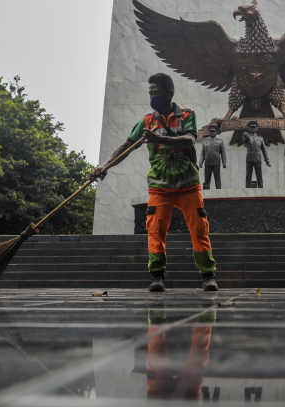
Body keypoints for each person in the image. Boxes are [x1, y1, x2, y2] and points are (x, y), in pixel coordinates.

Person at [91, 73, 218, 292]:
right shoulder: (147, 122)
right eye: (150, 93)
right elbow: (125, 146)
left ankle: (208, 276)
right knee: (155, 229)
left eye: (156, 93)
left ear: (169, 93)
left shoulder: (187, 116)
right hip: (160, 187)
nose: (152, 97)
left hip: (188, 186)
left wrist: (161, 139)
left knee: (199, 229)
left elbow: (189, 139)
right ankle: (157, 276)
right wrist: (105, 166)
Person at [243, 120, 270, 188]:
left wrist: (267, 159)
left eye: (254, 127)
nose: (253, 128)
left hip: (258, 159)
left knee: (259, 176)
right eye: (251, 127)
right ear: (249, 128)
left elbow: (264, 150)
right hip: (249, 159)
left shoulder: (260, 138)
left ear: (257, 129)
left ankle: (261, 189)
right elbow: (245, 138)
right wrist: (246, 135)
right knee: (248, 176)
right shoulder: (247, 137)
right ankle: (247, 189)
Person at [199, 124, 226, 189]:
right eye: (211, 131)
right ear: (209, 132)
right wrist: (201, 162)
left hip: (216, 163)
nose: (212, 133)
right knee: (207, 179)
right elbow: (202, 153)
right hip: (207, 163)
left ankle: (219, 190)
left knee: (217, 179)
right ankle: (206, 192)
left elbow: (223, 153)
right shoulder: (205, 141)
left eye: (213, 131)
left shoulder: (220, 141)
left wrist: (224, 163)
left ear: (216, 132)